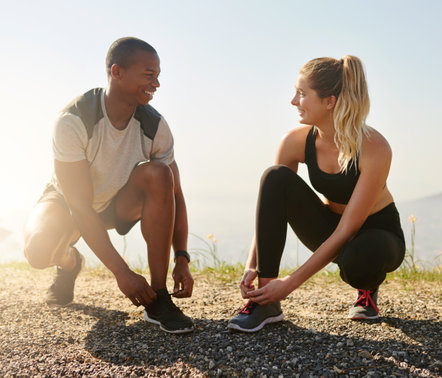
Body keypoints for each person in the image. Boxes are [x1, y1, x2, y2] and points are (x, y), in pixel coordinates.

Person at [24, 37, 194, 334]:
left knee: (159, 174)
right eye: (148, 74)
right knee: (37, 251)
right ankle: (68, 261)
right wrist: (122, 273)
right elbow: (79, 205)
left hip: (118, 204)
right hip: (69, 203)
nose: (156, 83)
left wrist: (182, 257)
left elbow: (174, 195)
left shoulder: (155, 126)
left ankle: (159, 297)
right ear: (117, 72)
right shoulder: (73, 120)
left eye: (157, 75)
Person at [228, 55, 405, 332]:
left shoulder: (374, 147)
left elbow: (349, 229)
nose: (293, 101)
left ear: (329, 101)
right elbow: (271, 204)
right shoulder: (295, 141)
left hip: (377, 233)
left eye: (301, 93)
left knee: (357, 259)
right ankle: (265, 302)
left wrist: (289, 284)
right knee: (274, 177)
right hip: (330, 224)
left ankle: (367, 288)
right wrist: (254, 265)